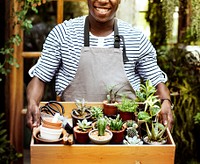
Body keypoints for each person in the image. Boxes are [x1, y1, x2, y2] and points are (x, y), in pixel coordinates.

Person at [26, 0, 174, 131]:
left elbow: (156, 81)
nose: (103, 1)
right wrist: (32, 103)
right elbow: (40, 77)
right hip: (75, 129)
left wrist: (165, 101)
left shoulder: (136, 38)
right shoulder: (63, 34)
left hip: (123, 132)